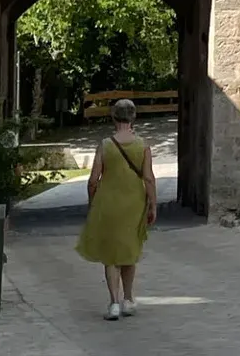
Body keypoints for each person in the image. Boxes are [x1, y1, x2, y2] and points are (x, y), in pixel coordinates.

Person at [75, 98, 157, 320]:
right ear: (134, 117)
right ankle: (128, 300)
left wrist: (92, 203)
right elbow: (149, 178)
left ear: (113, 117)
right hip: (134, 204)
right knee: (130, 250)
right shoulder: (143, 146)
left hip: (108, 204)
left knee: (111, 255)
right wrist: (153, 204)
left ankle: (113, 303)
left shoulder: (105, 145)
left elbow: (93, 180)